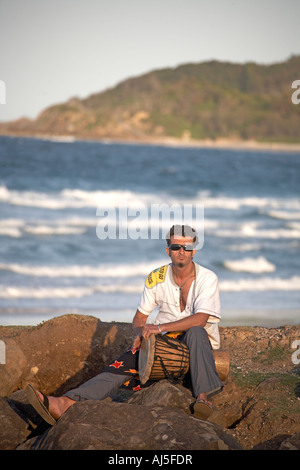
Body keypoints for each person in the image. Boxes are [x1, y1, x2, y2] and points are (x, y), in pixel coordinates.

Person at [26, 224, 223, 424]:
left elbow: (201, 319)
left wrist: (158, 328)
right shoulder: (156, 278)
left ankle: (203, 398)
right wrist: (140, 333)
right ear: (168, 251)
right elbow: (139, 318)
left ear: (194, 251)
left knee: (196, 331)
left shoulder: (207, 278)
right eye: (176, 247)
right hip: (167, 346)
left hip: (199, 346)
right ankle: (67, 403)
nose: (181, 252)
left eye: (186, 247)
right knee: (126, 361)